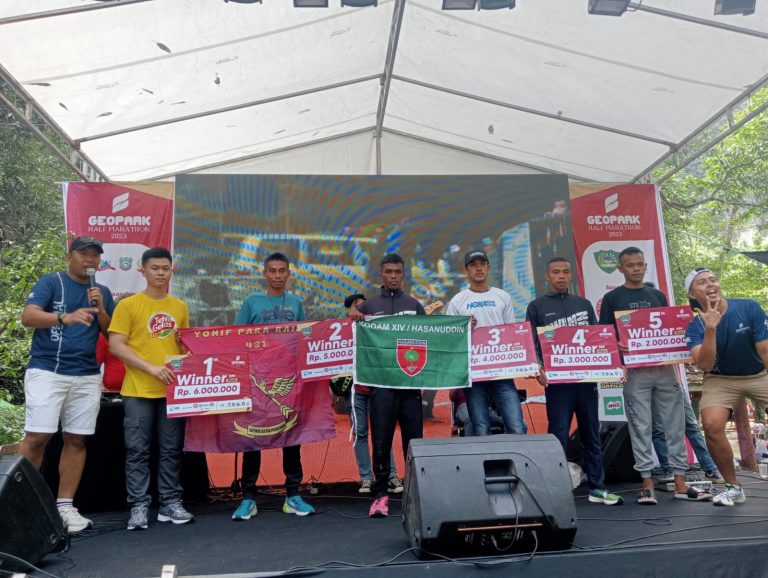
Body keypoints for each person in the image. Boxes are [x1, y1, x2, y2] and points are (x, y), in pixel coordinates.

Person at [599, 247, 711, 504]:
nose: (636, 269)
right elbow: (604, 334)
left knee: (675, 423)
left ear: (646, 266)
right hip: (635, 371)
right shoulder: (612, 298)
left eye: (640, 264)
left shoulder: (657, 295)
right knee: (640, 425)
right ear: (620, 269)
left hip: (665, 369)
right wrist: (616, 344)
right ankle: (646, 481)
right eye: (630, 265)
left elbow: (670, 327)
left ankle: (680, 480)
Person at [18, 236, 114, 533]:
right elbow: (27, 317)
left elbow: (110, 333)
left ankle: (65, 507)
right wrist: (64, 317)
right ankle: (19, 505)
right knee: (37, 437)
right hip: (47, 370)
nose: (90, 260)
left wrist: (101, 309)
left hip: (86, 374)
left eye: (95, 255)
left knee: (77, 439)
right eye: (83, 253)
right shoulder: (52, 282)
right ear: (68, 256)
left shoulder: (101, 291)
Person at [526, 256, 623, 506]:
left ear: (571, 275)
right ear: (547, 276)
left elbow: (597, 338)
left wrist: (613, 359)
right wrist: (538, 367)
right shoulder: (536, 306)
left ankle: (597, 487)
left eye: (565, 272)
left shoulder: (584, 304)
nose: (561, 276)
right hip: (558, 384)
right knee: (558, 435)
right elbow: (531, 343)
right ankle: (556, 488)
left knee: (591, 432)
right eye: (556, 272)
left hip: (586, 381)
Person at [109, 247, 194, 530]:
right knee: (137, 451)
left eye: (165, 268)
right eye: (155, 268)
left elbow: (183, 347)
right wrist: (150, 368)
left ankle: (170, 502)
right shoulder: (128, 305)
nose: (161, 273)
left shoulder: (180, 306)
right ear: (142, 270)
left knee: (172, 449)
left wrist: (190, 353)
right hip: (138, 390)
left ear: (172, 270)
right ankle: (138, 506)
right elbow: (116, 346)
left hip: (172, 390)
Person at [231, 252, 314, 521]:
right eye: (273, 271)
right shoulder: (251, 301)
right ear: (264, 273)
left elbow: (304, 337)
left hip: (288, 379)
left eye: (282, 271)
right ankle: (248, 498)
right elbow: (235, 337)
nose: (277, 275)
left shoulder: (296, 302)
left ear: (289, 274)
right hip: (257, 380)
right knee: (252, 439)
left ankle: (293, 495)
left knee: (291, 436)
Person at [348, 253, 425, 518]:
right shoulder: (369, 306)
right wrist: (352, 315)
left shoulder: (414, 305)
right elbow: (352, 335)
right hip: (381, 388)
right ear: (380, 275)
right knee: (381, 442)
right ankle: (380, 496)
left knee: (414, 444)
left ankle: (416, 494)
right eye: (388, 271)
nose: (393, 276)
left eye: (397, 272)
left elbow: (431, 338)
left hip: (410, 388)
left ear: (403, 275)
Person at [684, 267, 768, 506]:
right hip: (721, 378)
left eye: (713, 279)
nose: (710, 284)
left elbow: (765, 350)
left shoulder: (748, 307)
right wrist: (711, 328)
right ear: (692, 294)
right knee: (711, 425)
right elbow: (706, 365)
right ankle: (733, 488)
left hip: (759, 373)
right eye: (702, 282)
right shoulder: (694, 328)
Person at [446, 249, 526, 436]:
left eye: (482, 264)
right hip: (474, 374)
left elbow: (512, 332)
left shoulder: (502, 296)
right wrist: (464, 328)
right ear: (466, 270)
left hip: (502, 372)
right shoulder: (458, 301)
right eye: (473, 265)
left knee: (517, 426)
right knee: (481, 429)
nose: (478, 268)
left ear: (488, 268)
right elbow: (450, 339)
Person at [344, 293, 402, 495]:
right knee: (360, 433)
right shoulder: (345, 328)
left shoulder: (380, 326)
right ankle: (366, 478)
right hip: (357, 391)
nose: (363, 309)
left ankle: (390, 476)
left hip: (378, 387)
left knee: (383, 432)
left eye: (365, 306)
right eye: (359, 306)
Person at [651, 391, 724, 483]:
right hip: (651, 387)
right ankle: (670, 471)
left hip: (674, 386)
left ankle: (710, 470)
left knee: (692, 426)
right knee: (658, 431)